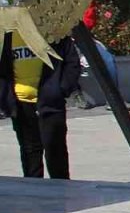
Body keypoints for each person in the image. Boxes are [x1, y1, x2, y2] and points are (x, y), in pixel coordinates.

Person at [1, 33, 78, 179]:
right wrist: (5, 96)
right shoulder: (7, 36)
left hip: (50, 103)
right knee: (29, 151)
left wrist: (61, 89)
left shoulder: (54, 34)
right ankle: (33, 188)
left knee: (55, 150)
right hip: (21, 103)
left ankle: (61, 188)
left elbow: (72, 62)